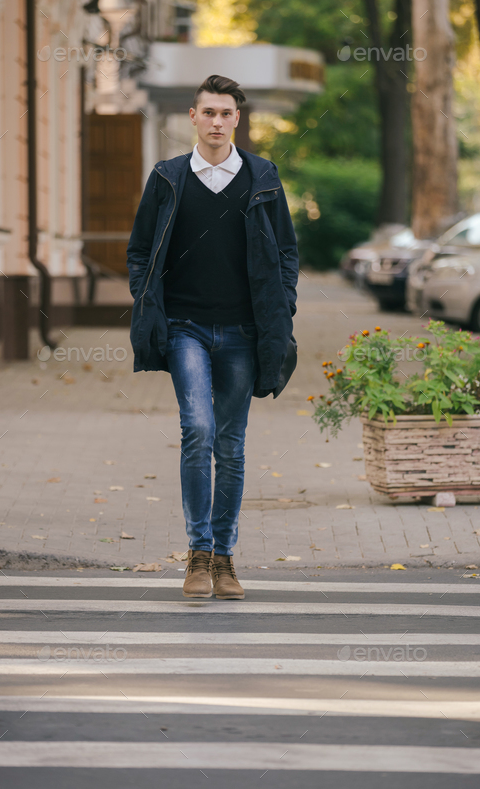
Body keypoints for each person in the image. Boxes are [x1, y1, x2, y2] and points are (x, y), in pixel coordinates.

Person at [126, 74, 298, 600]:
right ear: (193, 118)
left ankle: (224, 559)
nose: (217, 122)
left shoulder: (262, 176)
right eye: (208, 113)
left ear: (237, 119)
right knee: (198, 429)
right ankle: (197, 554)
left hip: (244, 333)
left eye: (226, 113)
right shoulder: (168, 176)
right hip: (186, 329)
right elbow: (139, 252)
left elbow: (287, 253)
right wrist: (146, 299)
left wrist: (282, 305)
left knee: (232, 443)